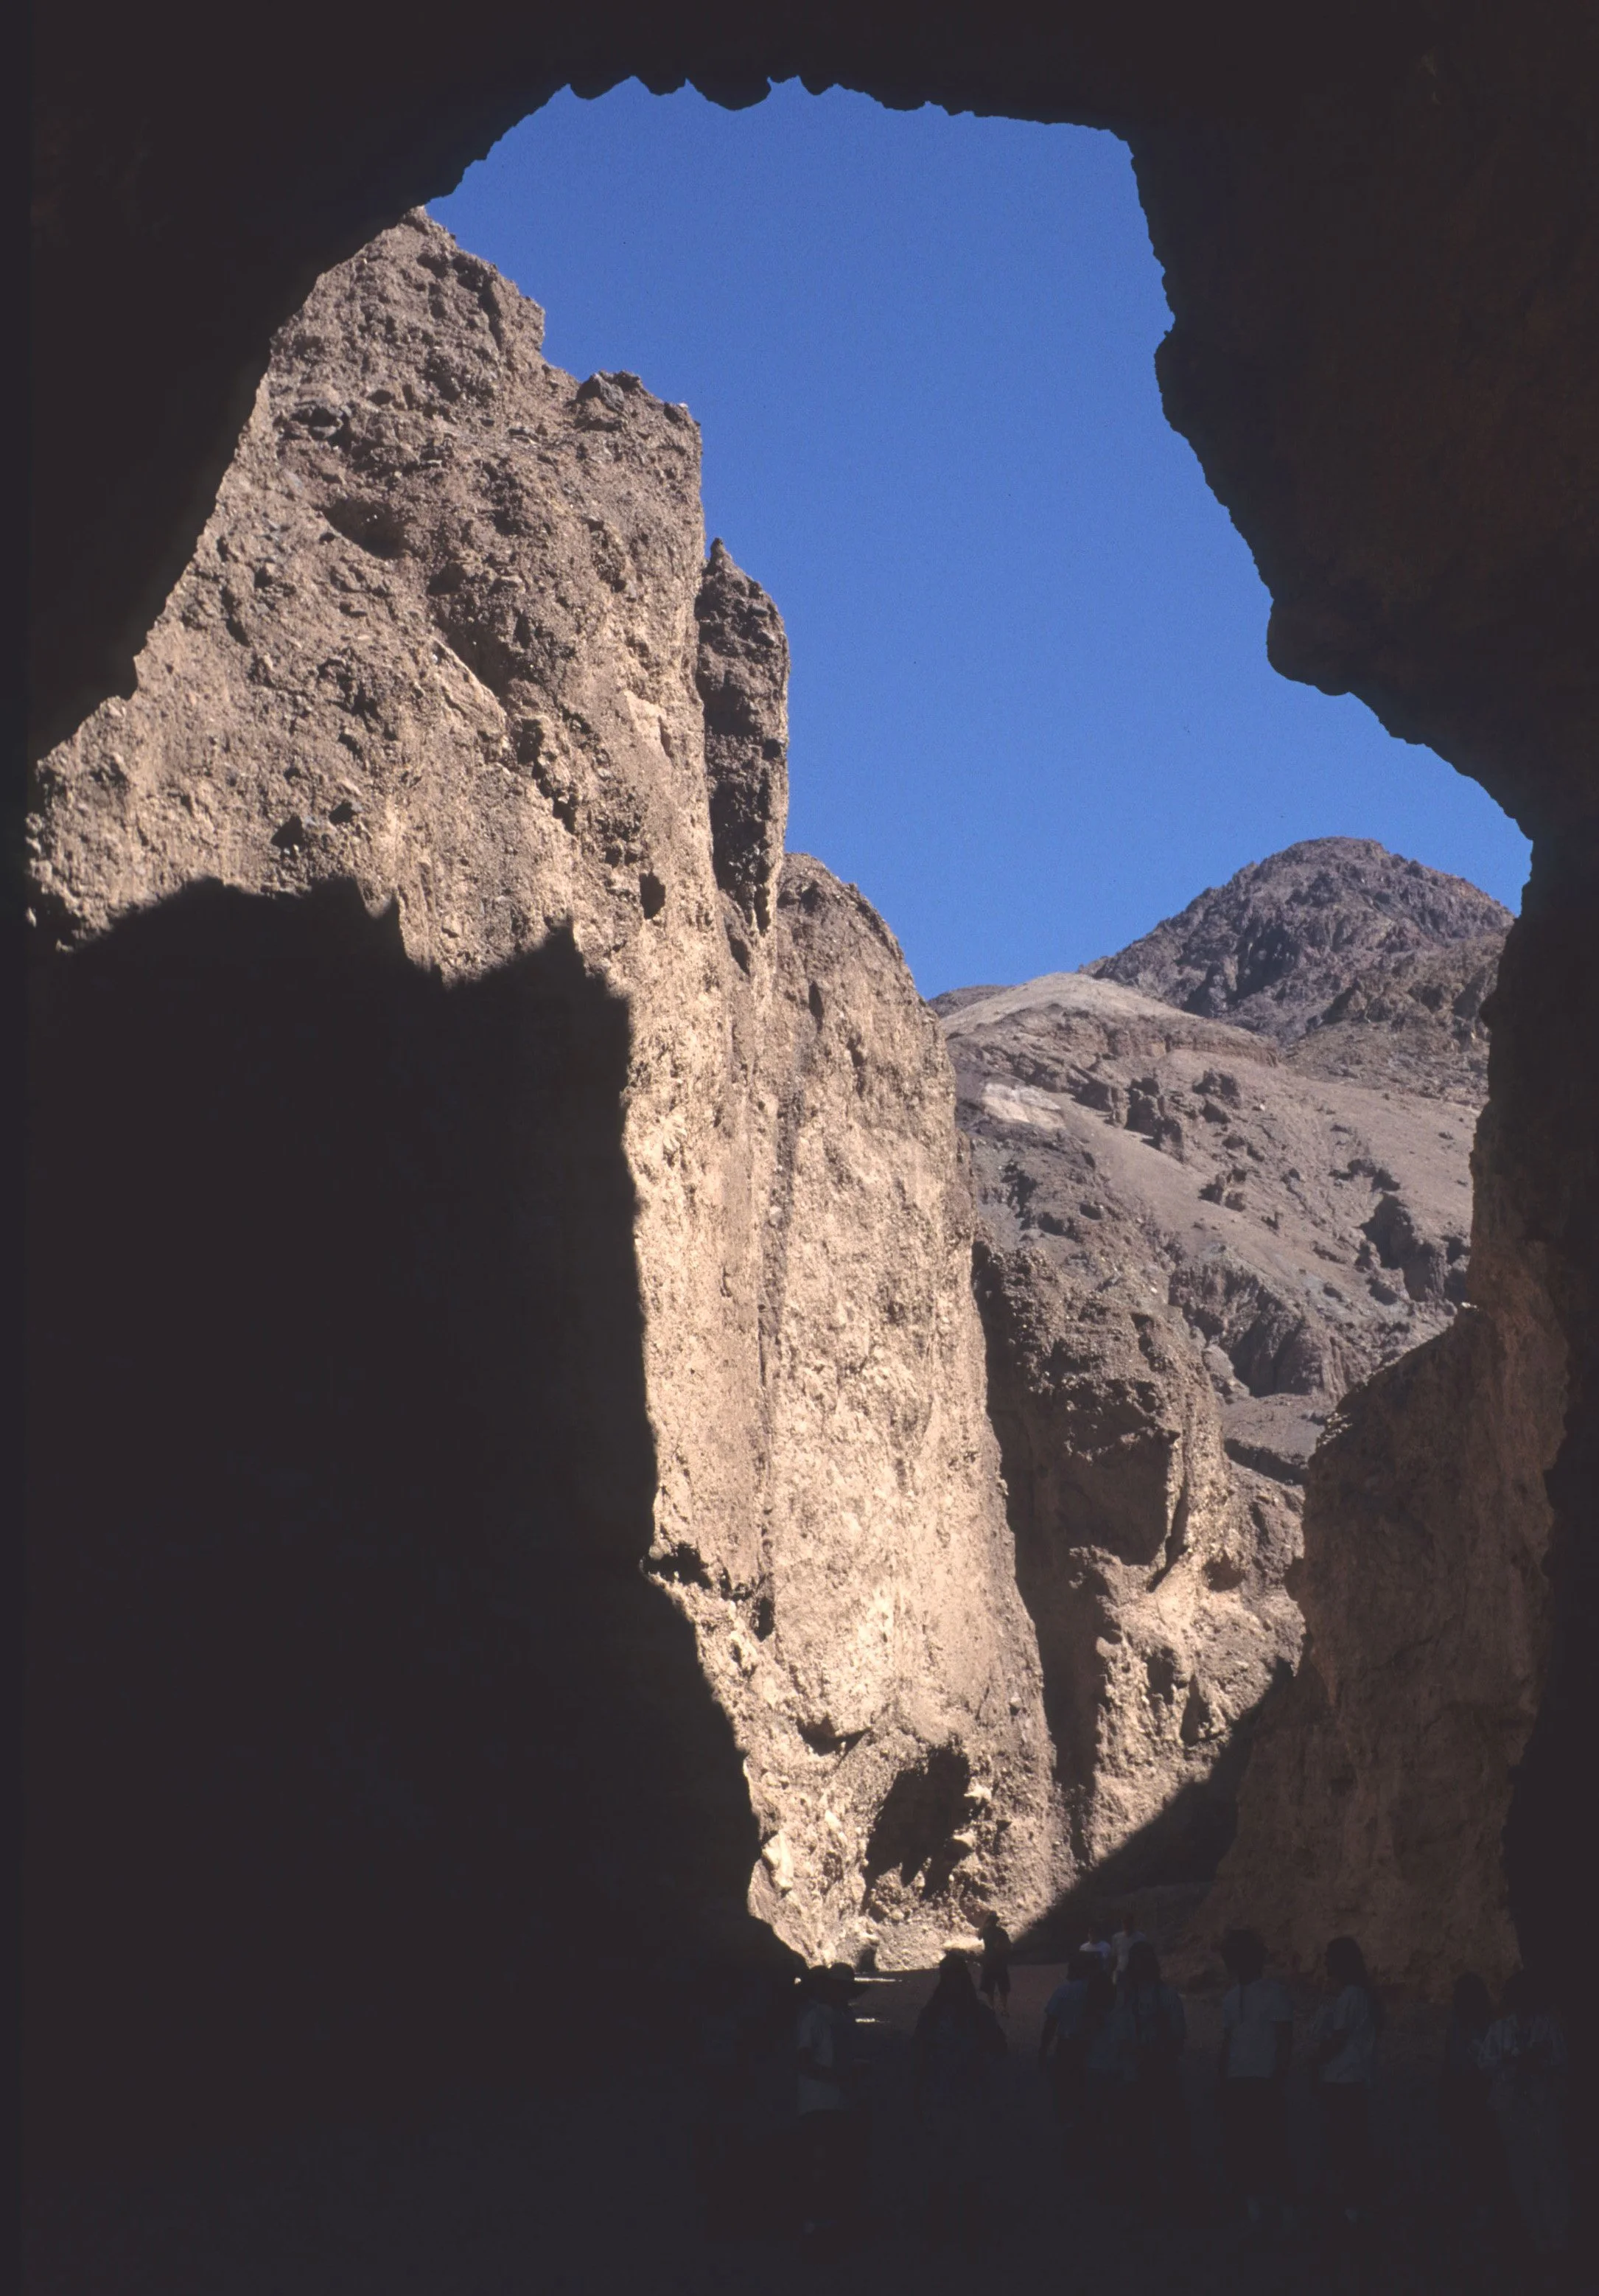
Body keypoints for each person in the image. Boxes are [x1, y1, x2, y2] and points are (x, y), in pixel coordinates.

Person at [912, 1950, 1006, 2247]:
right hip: (954, 2095)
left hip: (955, 2095)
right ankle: (959, 2226)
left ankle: (951, 2226)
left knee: (955, 2161)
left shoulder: (936, 2014)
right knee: (957, 2161)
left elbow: (919, 2056)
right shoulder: (965, 2014)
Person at [1479, 1969, 1570, 2273]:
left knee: (1549, 2173)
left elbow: (1560, 2062)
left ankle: (1555, 2244)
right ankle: (1537, 2243)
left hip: (1542, 2109)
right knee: (1522, 2174)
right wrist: (1513, 2062)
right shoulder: (1500, 2030)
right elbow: (1486, 2063)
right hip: (1512, 2110)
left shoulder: (1548, 2027)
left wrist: (1534, 2063)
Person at [1217, 1928, 1295, 2239]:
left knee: (1270, 2145)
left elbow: (1285, 2039)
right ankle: (1256, 2209)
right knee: (1244, 2146)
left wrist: (1279, 2075)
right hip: (1238, 2079)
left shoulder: (1274, 1993)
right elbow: (1228, 2040)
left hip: (1264, 2079)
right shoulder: (1230, 1998)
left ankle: (1283, 2209)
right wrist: (1222, 2076)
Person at [1309, 1936, 1382, 2232]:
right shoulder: (1350, 1996)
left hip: (1344, 2079)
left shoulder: (1352, 1996)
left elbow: (1336, 2040)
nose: (1325, 1962)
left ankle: (1351, 2209)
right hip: (1348, 2078)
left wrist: (1317, 2059)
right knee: (1349, 2143)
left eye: (1329, 1957)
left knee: (1345, 2144)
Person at [1119, 1940, 1191, 2215]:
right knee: (1140, 2135)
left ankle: (1172, 2193)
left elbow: (1177, 2034)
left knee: (1166, 2133)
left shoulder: (1165, 1996)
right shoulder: (1127, 1997)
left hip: (1158, 2071)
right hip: (1137, 2072)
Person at [794, 1962, 864, 2241]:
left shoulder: (843, 2017)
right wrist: (837, 2077)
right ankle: (814, 2226)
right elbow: (803, 2061)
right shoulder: (815, 2017)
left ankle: (827, 2226)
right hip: (819, 2103)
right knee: (820, 2165)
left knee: (834, 2166)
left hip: (838, 2103)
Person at [1039, 1950, 1096, 2138]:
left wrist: (1043, 2050)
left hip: (1068, 2045)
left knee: (1065, 2088)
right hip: (1094, 2046)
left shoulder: (1064, 1991)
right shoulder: (1099, 1991)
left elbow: (1051, 2022)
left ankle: (1068, 2129)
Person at [978, 1912, 1012, 2018]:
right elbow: (1008, 1945)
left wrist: (984, 1922)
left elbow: (979, 1935)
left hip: (989, 1961)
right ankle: (1004, 2009)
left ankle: (992, 2008)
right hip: (1000, 1962)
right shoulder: (1001, 1932)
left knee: (989, 1987)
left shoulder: (986, 1932)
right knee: (1003, 1987)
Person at [1110, 1908, 1148, 1983]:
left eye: (1128, 1922)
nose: (1125, 1925)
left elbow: (1145, 1957)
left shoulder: (1141, 1938)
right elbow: (1114, 1957)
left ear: (1132, 1923)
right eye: (1124, 1922)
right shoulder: (1116, 1938)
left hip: (1136, 1973)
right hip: (1120, 1972)